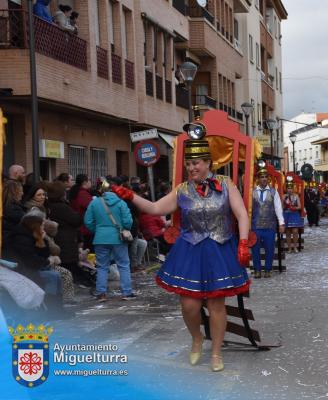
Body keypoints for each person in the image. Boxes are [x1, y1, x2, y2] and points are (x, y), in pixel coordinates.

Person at [111, 134, 251, 372]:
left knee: (217, 305)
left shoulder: (226, 184)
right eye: (188, 164)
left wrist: (244, 242)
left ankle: (216, 352)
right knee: (189, 306)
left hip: (219, 249)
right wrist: (131, 196)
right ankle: (197, 338)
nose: (191, 167)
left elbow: (241, 214)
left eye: (195, 163)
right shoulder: (182, 190)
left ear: (208, 163)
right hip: (190, 251)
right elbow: (155, 209)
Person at [84, 180, 135, 302]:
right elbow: (128, 221)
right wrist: (124, 229)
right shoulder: (121, 203)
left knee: (102, 266)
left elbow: (88, 221)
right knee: (123, 265)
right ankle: (126, 292)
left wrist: (98, 230)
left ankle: (101, 293)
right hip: (118, 237)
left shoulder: (94, 203)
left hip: (100, 238)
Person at [46, 182, 86, 285]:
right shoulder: (61, 207)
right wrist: (79, 214)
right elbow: (76, 220)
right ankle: (67, 292)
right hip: (65, 240)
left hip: (60, 239)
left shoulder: (50, 205)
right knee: (67, 269)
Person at [251, 166, 285, 278]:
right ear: (258, 179)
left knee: (269, 249)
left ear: (268, 179)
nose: (264, 179)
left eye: (266, 177)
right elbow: (248, 209)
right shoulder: (252, 192)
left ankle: (268, 269)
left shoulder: (273, 192)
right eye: (262, 177)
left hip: (270, 226)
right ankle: (257, 270)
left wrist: (281, 223)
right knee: (255, 250)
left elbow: (278, 208)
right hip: (255, 225)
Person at [68, 174, 94, 249]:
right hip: (85, 227)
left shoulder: (75, 191)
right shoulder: (83, 194)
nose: (90, 182)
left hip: (79, 224)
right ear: (85, 182)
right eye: (89, 180)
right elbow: (91, 207)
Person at [2, 180, 26, 253]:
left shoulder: (6, 206)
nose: (22, 193)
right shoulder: (13, 209)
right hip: (11, 244)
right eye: (20, 191)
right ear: (14, 193)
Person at [283, 181, 304, 253]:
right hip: (287, 214)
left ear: (293, 189)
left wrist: (294, 208)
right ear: (286, 189)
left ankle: (295, 246)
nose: (290, 190)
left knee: (295, 231)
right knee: (288, 232)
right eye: (288, 188)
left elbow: (300, 206)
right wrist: (284, 204)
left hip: (294, 214)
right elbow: (281, 207)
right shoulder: (284, 196)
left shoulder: (296, 196)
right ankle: (289, 248)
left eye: (291, 188)